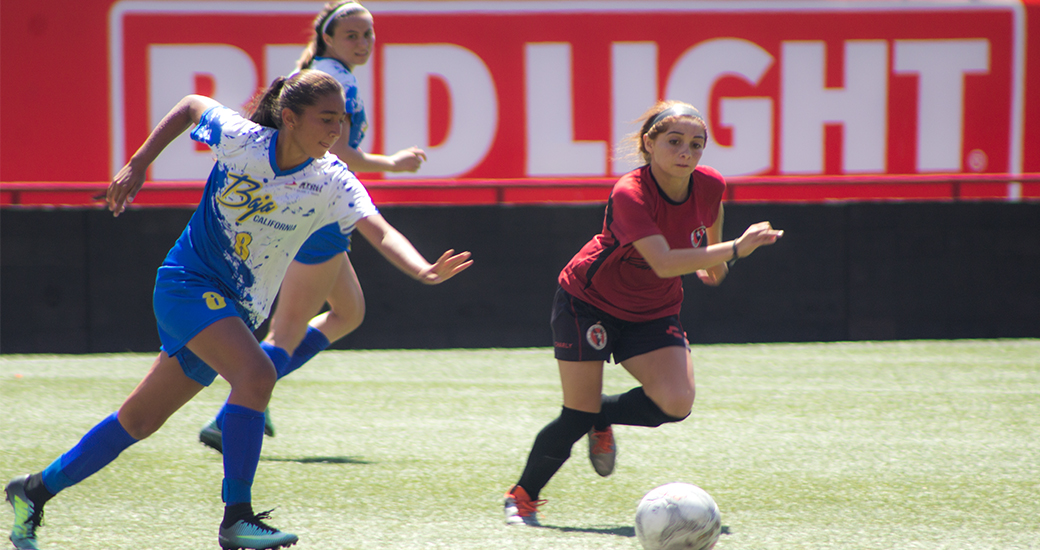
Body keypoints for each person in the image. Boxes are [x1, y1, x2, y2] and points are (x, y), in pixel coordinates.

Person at [4, 70, 471, 550]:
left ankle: (34, 491)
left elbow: (380, 229)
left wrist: (422, 270)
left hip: (234, 310)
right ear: (289, 118)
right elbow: (189, 105)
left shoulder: (331, 179)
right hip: (187, 285)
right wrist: (139, 164)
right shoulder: (243, 140)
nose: (337, 131)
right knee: (257, 375)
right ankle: (237, 518)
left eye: (343, 120)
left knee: (139, 421)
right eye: (326, 119)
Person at [502, 101, 783, 527]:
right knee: (575, 412)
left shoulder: (709, 184)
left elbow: (712, 215)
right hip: (587, 302)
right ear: (649, 144)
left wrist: (718, 262)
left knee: (676, 402)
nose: (686, 151)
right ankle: (522, 497)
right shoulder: (630, 191)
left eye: (696, 144)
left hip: (653, 309)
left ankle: (601, 415)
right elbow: (666, 262)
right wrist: (737, 249)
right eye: (674, 141)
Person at [198, 0, 429, 452]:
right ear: (328, 37)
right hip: (318, 209)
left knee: (349, 313)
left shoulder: (326, 71)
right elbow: (342, 155)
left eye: (369, 33)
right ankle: (234, 413)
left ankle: (242, 405)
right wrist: (396, 164)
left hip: (312, 205)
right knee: (288, 332)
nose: (363, 43)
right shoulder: (337, 80)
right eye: (353, 35)